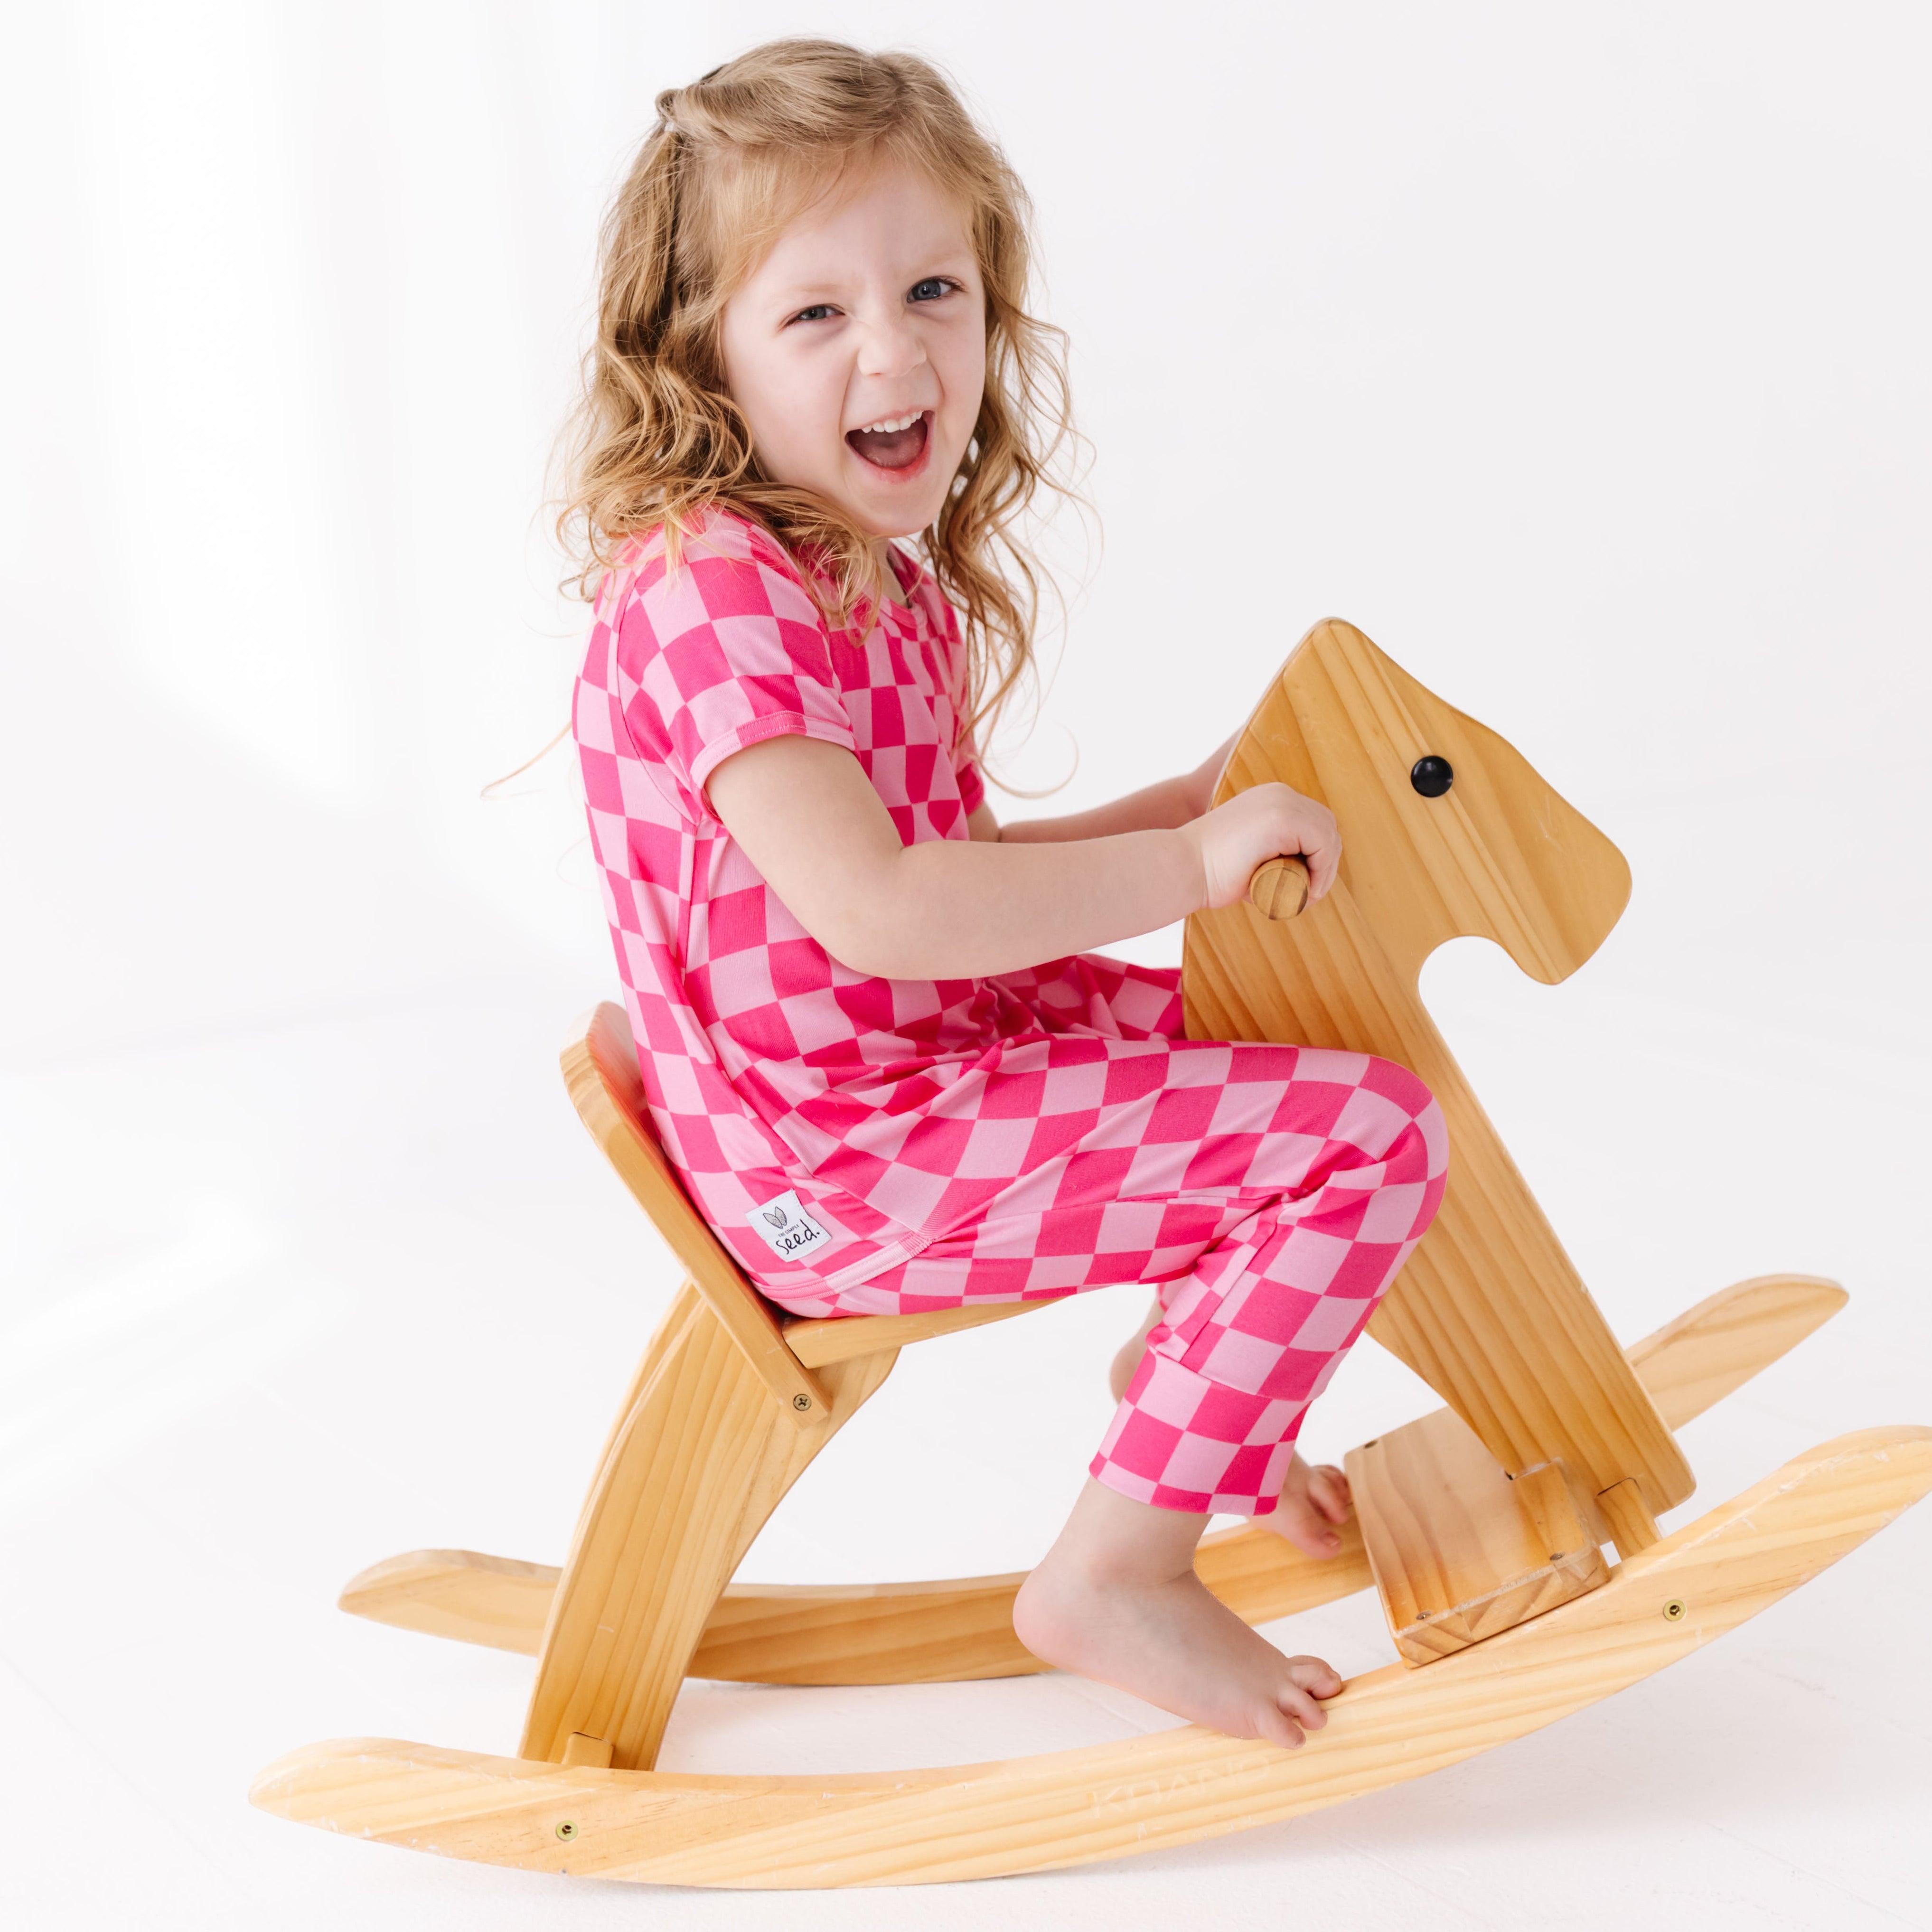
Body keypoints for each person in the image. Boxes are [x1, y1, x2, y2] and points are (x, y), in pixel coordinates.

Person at [562, 39, 1446, 1750]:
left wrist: (1173, 811)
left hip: (908, 1071)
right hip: (844, 1162)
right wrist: (1183, 864)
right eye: (814, 314)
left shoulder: (850, 568)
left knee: (1261, 1021)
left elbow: (947, 874)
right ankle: (1115, 1569)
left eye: (933, 289)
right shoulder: (714, 602)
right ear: (702, 351)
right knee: (1366, 1134)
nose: (896, 350)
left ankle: (1193, 1396)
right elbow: (884, 912)